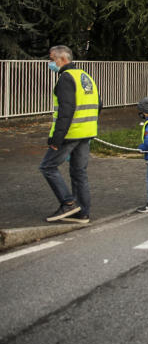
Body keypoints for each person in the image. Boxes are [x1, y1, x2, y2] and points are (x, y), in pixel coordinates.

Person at [41, 45, 100, 224]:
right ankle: (82, 213)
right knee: (78, 172)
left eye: (52, 59)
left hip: (71, 133)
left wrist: (56, 139)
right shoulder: (85, 76)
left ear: (63, 59)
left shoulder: (66, 78)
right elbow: (99, 103)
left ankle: (68, 203)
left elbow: (66, 111)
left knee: (48, 167)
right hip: (86, 132)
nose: (50, 63)